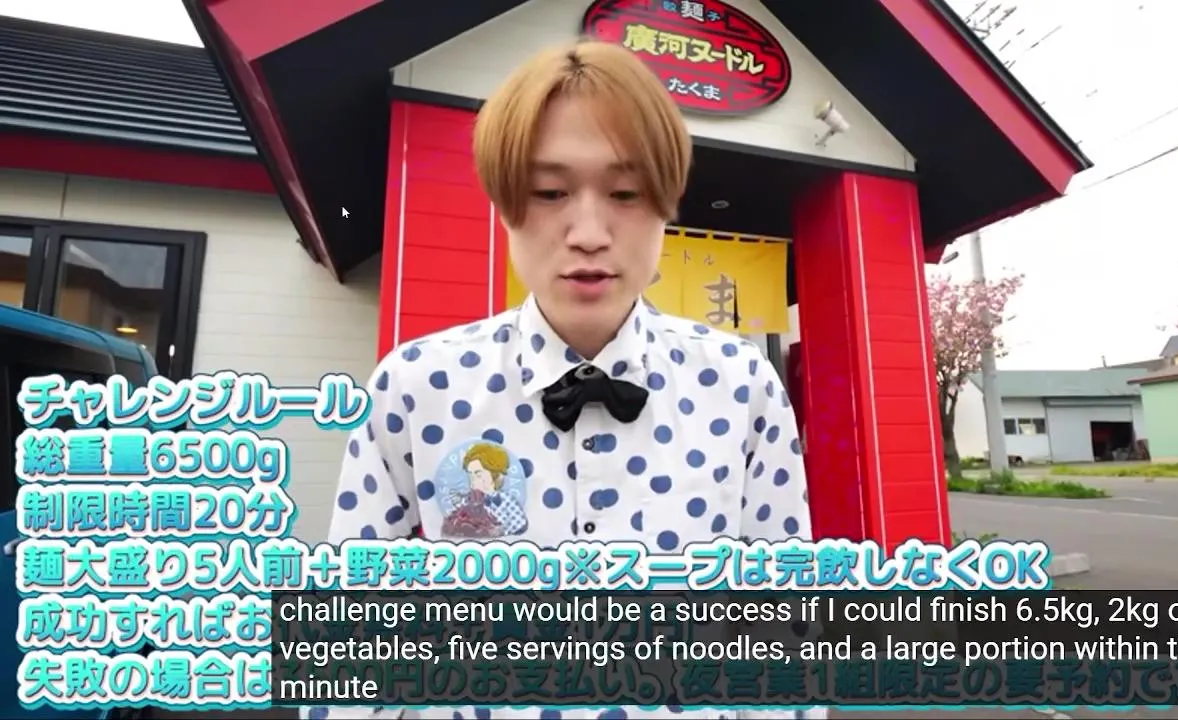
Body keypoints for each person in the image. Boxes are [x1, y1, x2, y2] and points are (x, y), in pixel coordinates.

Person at [318, 39, 820, 720]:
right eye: (550, 192)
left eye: (625, 192)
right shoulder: (414, 387)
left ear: (667, 204)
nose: (588, 232)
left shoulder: (743, 386)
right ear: (505, 206)